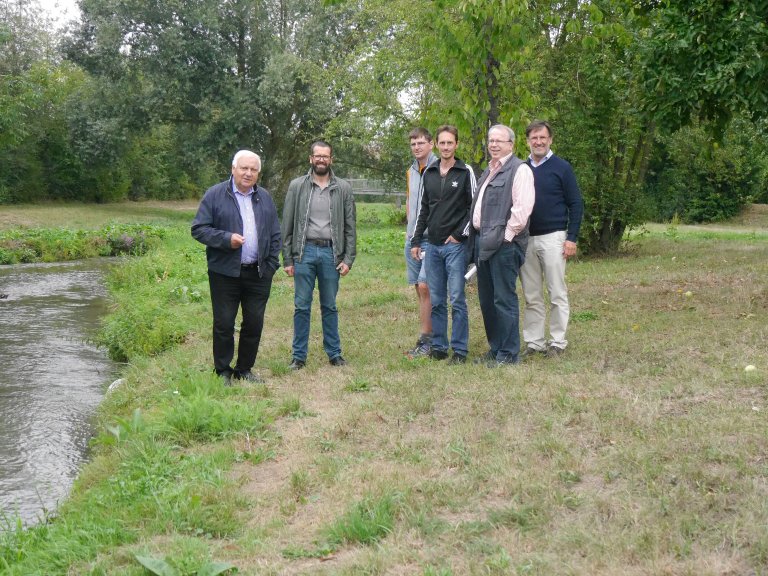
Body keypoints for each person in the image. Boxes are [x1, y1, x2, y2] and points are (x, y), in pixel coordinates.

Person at [191, 150, 281, 385]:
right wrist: (226, 239)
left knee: (254, 323)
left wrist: (271, 265)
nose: (248, 173)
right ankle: (222, 371)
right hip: (224, 273)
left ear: (258, 173)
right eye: (244, 168)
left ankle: (244, 369)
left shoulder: (265, 198)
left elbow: (275, 233)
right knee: (224, 323)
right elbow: (199, 228)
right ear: (233, 169)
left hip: (258, 273)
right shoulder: (215, 194)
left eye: (253, 170)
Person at [282, 140, 356, 369]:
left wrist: (348, 258)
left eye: (325, 156)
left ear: (331, 159)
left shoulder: (342, 188)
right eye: (318, 156)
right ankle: (298, 356)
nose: (321, 159)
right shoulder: (297, 186)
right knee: (302, 306)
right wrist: (288, 258)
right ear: (311, 159)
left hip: (331, 254)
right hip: (303, 253)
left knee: (330, 306)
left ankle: (334, 354)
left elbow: (350, 226)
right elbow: (287, 224)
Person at [469, 124, 535, 366]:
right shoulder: (489, 171)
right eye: (491, 140)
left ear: (511, 144)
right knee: (487, 300)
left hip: (505, 246)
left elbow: (522, 209)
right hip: (484, 244)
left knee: (503, 299)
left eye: (499, 140)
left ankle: (508, 354)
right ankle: (496, 349)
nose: (493, 144)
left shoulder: (520, 170)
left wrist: (506, 237)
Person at [410, 125, 476, 364]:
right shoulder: (430, 172)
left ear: (456, 144)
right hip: (433, 247)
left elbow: (474, 208)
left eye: (450, 143)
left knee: (457, 298)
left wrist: (460, 234)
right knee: (437, 299)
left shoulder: (465, 171)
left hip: (455, 247)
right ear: (436, 145)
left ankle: (459, 350)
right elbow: (423, 210)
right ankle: (439, 346)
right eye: (443, 143)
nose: (446, 147)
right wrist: (417, 240)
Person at [520, 120, 584, 358]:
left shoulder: (562, 167)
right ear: (527, 141)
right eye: (534, 138)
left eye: (542, 138)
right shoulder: (521, 168)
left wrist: (572, 237)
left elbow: (576, 203)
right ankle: (534, 342)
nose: (538, 142)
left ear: (550, 140)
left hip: (554, 237)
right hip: (526, 239)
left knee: (557, 292)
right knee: (531, 294)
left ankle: (557, 342)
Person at [405, 127, 438, 358]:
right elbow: (410, 201)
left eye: (421, 143)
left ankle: (429, 339)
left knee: (427, 286)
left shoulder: (440, 168)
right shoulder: (411, 171)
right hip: (413, 238)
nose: (417, 147)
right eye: (413, 144)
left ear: (431, 144)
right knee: (419, 288)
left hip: (432, 238)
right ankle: (426, 335)